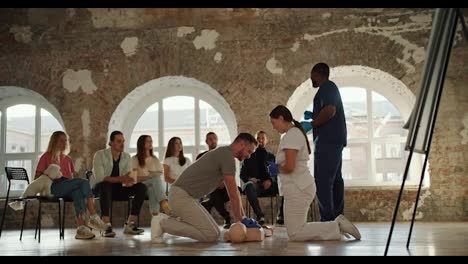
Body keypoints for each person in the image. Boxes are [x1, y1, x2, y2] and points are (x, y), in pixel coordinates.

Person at [269, 105, 360, 241]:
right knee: (295, 231)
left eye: (273, 122)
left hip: (298, 188)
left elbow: (290, 166)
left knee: (295, 233)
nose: (273, 127)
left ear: (281, 118)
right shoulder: (293, 134)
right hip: (297, 187)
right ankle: (336, 226)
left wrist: (276, 168)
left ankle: (336, 226)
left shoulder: (292, 135)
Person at [151, 133, 261, 243]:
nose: (249, 156)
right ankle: (162, 223)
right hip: (181, 196)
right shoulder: (226, 156)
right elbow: (233, 194)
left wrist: (243, 219)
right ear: (241, 144)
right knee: (210, 235)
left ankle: (172, 221)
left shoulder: (225, 154)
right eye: (249, 151)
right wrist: (240, 224)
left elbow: (234, 192)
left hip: (187, 197)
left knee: (216, 233)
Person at [35, 131, 108, 240]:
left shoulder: (68, 159)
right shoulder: (46, 157)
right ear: (54, 141)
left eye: (66, 141)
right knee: (83, 182)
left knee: (78, 192)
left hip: (66, 186)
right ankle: (93, 216)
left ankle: (81, 228)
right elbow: (36, 179)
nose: (65, 143)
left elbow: (70, 180)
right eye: (61, 140)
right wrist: (49, 175)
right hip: (52, 187)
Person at [302, 62, 348, 222]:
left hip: (327, 142)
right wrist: (314, 114)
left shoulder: (327, 87)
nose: (310, 78)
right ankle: (338, 219)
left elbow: (330, 110)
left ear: (317, 73)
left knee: (322, 182)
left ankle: (327, 221)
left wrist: (312, 124)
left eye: (311, 74)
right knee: (335, 181)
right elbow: (327, 110)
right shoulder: (330, 88)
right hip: (334, 141)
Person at [92, 131, 147, 237]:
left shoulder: (126, 156)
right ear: (111, 143)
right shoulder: (100, 155)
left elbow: (127, 177)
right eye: (118, 141)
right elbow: (101, 178)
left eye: (123, 141)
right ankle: (106, 225)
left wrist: (130, 181)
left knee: (141, 187)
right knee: (105, 184)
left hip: (118, 189)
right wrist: (123, 178)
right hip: (101, 189)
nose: (122, 144)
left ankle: (130, 223)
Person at [240, 130, 284, 225]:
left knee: (286, 185)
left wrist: (270, 180)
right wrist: (249, 179)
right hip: (256, 186)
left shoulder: (271, 156)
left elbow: (276, 173)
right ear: (255, 141)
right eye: (258, 138)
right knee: (248, 186)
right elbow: (242, 174)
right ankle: (260, 215)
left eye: (262, 138)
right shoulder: (248, 156)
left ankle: (281, 214)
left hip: (270, 186)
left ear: (266, 140)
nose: (260, 140)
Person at [198, 132, 232, 229]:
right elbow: (200, 175)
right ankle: (227, 217)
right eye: (210, 139)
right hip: (209, 188)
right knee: (213, 194)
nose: (213, 141)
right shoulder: (201, 157)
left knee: (212, 199)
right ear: (206, 142)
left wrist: (223, 182)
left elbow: (228, 172)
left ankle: (207, 206)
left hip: (224, 187)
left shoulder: (223, 155)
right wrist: (213, 183)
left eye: (215, 139)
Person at [132, 135, 172, 216]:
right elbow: (134, 178)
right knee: (155, 180)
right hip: (140, 188)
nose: (150, 143)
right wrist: (149, 176)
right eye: (148, 141)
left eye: (151, 141)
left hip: (153, 187)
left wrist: (151, 175)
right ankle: (164, 204)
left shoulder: (155, 159)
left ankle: (155, 216)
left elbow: (160, 173)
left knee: (152, 187)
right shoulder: (135, 159)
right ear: (141, 143)